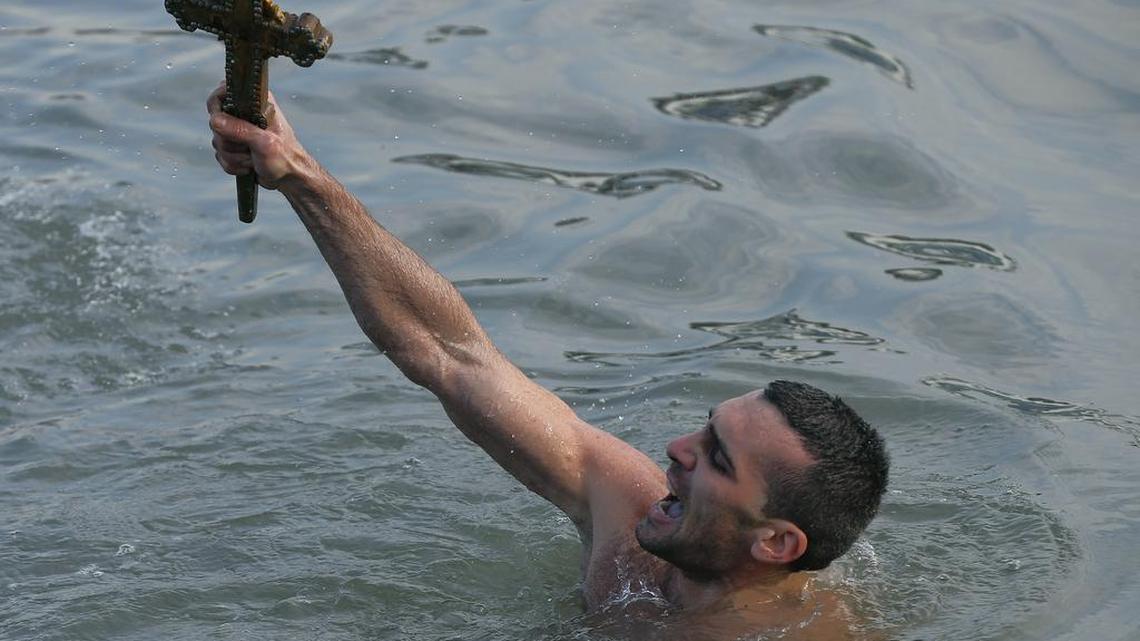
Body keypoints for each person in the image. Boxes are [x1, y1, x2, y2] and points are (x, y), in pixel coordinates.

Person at [207, 85, 889, 639]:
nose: (675, 449)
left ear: (775, 543)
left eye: (716, 459)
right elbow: (451, 357)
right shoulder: (632, 516)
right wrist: (297, 171)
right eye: (705, 430)